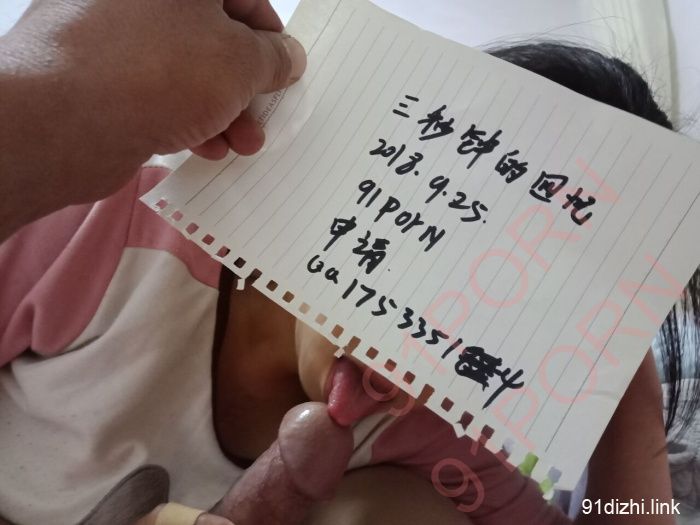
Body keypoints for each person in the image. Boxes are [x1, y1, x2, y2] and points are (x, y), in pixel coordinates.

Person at [0, 0, 686, 523]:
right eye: (448, 255)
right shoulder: (117, 218)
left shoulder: (438, 433)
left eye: (517, 324)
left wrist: (626, 373)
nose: (417, 367)